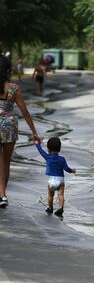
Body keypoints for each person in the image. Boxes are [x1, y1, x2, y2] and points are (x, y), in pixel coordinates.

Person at [0, 74, 41, 207]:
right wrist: (34, 132)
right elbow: (25, 112)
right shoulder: (13, 88)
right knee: (6, 161)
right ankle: (3, 195)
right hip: (9, 125)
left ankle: (2, 194)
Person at [35, 137, 76, 216]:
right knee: (61, 195)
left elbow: (40, 151)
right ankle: (61, 207)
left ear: (48, 148)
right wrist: (72, 171)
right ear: (59, 148)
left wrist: (37, 143)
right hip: (60, 180)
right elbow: (66, 168)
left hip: (51, 180)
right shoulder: (62, 159)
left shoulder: (47, 157)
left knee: (50, 195)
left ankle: (50, 208)